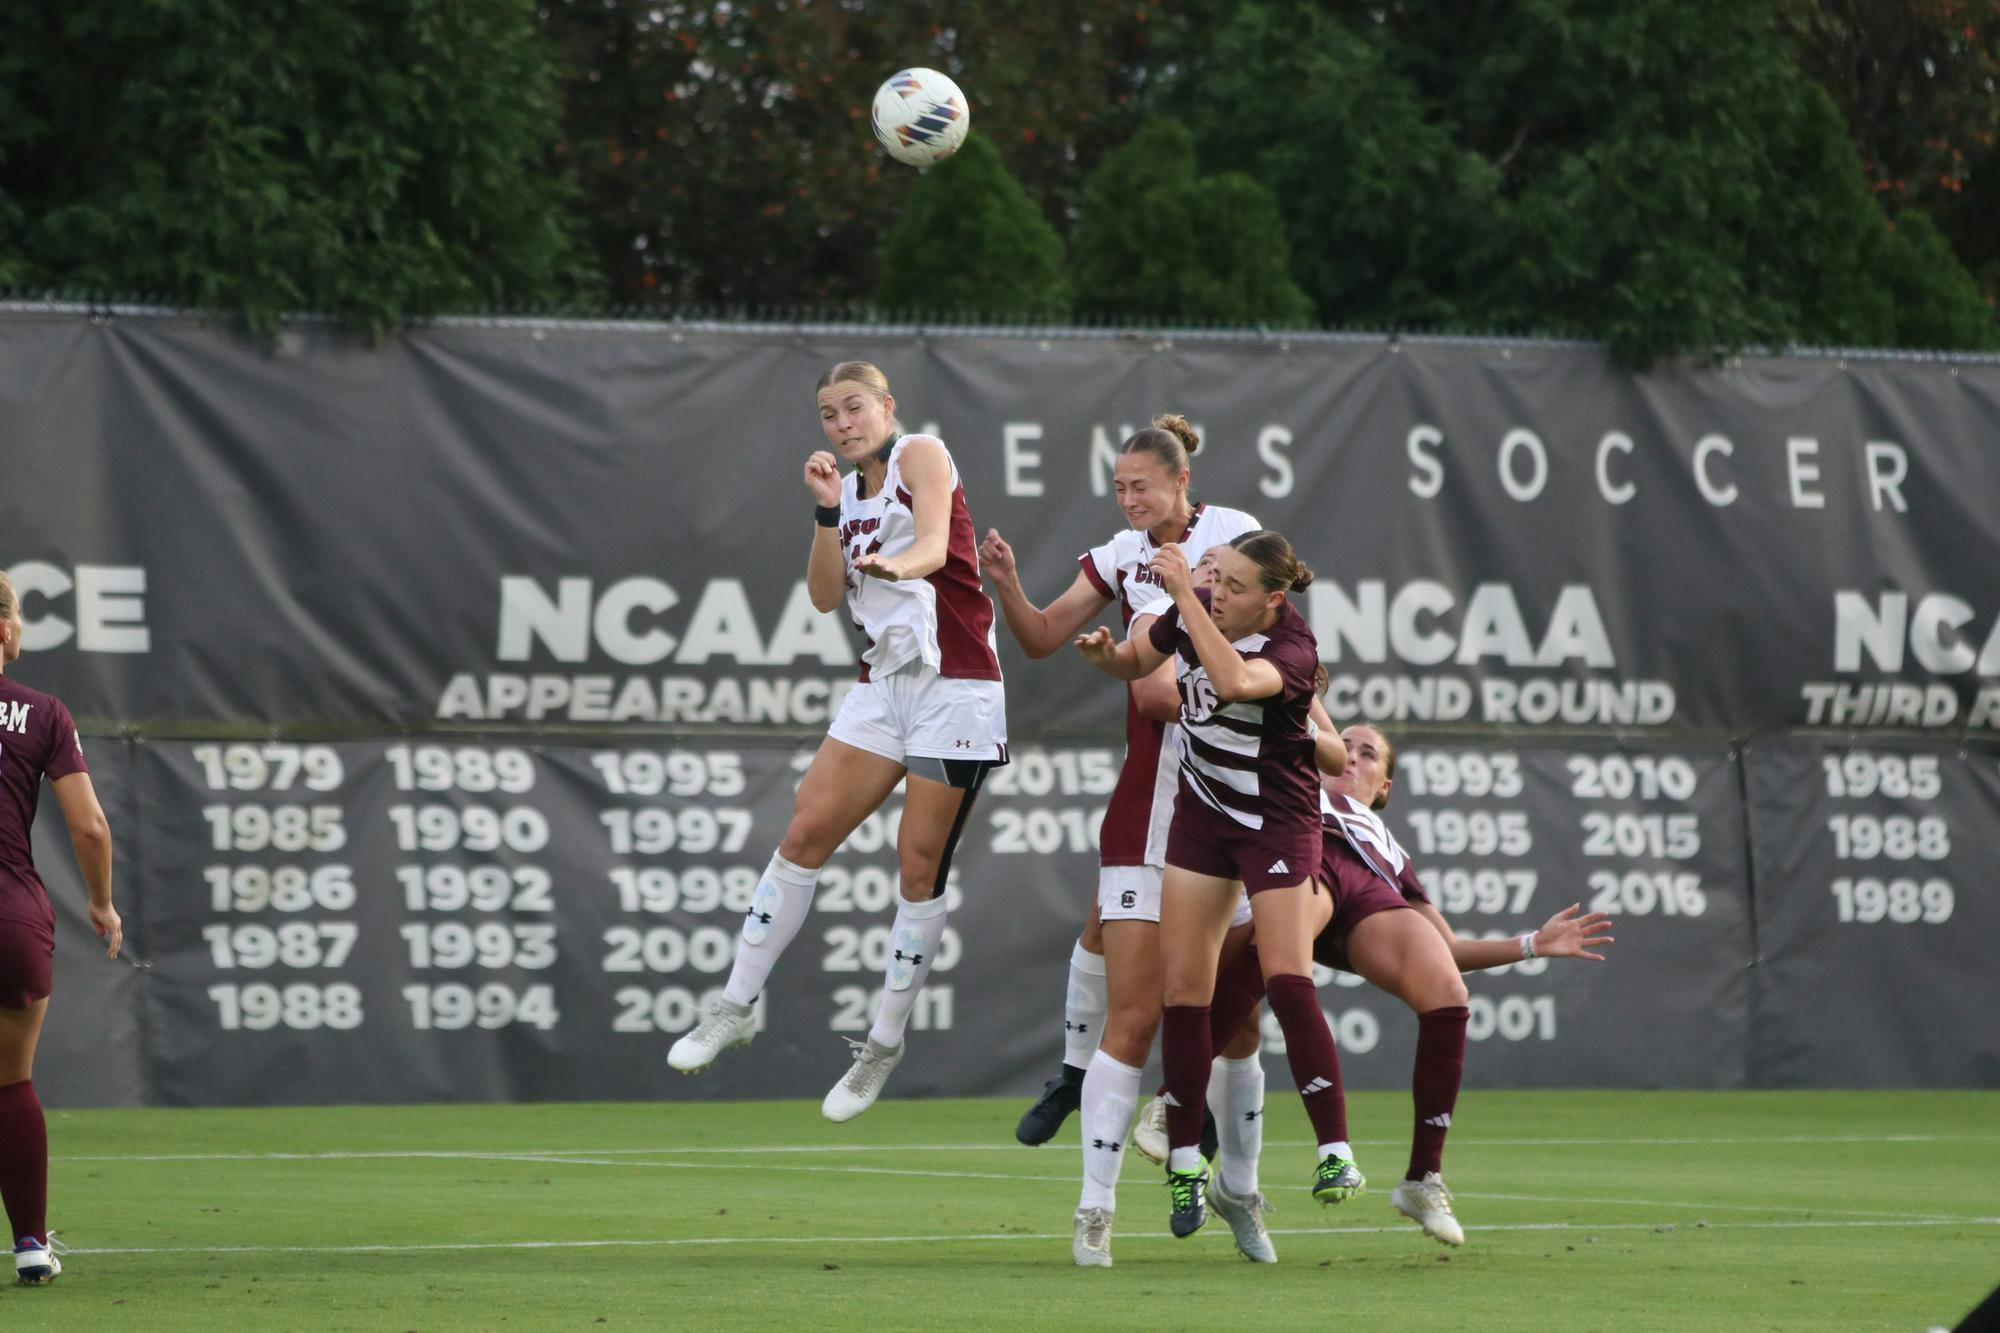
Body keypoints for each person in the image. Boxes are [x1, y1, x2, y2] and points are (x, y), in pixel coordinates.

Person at [1132, 722, 1616, 1260]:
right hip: (1302, 858)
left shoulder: (1389, 847)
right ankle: (1171, 1102)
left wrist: (1530, 944)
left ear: (1384, 787)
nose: (1353, 759)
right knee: (1269, 953)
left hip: (1367, 899)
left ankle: (1422, 1179)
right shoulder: (1300, 788)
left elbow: (1446, 946)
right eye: (1348, 747)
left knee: (1448, 995)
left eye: (1369, 755)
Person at [667, 362, 1008, 1123]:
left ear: (886, 405)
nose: (842, 422)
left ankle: (883, 1043)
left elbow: (929, 547)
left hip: (955, 684)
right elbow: (825, 595)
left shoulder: (923, 452)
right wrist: (826, 513)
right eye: (828, 413)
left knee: (917, 869)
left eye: (854, 406)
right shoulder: (847, 490)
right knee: (803, 833)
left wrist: (896, 563)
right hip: (883, 684)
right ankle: (733, 1003)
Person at [1075, 529, 1349, 1249]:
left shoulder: (1293, 651)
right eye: (1213, 575)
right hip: (1202, 820)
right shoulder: (1199, 603)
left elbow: (1231, 680)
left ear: (1274, 599)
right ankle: (1189, 1160)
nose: (1216, 592)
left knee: (1285, 981)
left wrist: (1185, 599)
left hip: (1277, 823)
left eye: (1233, 585)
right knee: (1184, 997)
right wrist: (1112, 659)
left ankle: (1334, 1152)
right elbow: (1143, 659)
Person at [0, 571, 123, 1285]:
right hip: (11, 915)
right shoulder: (42, 712)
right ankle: (30, 1243)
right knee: (11, 1082)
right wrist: (102, 903)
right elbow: (90, 824)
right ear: (7, 632)